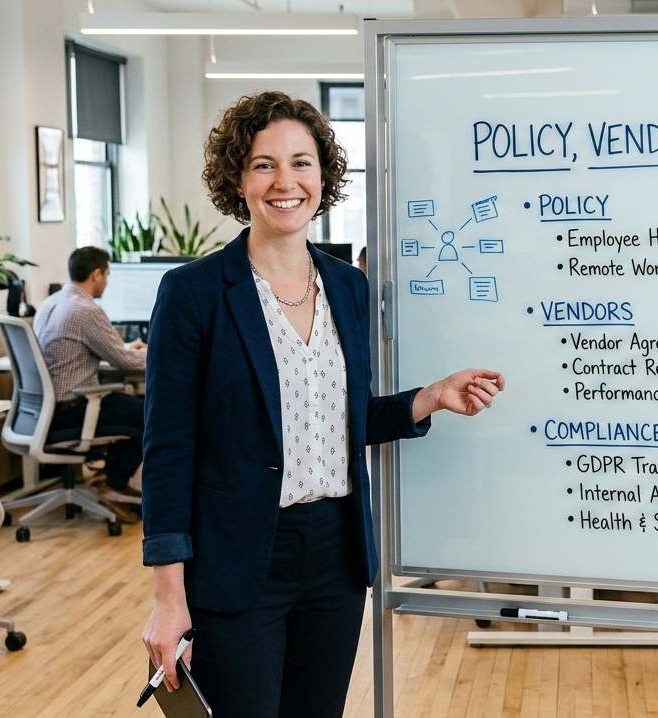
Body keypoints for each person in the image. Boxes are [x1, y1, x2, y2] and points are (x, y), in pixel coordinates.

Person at [139, 91, 505, 717]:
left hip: (336, 556)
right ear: (238, 180)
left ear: (324, 176)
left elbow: (342, 419)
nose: (285, 182)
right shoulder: (194, 293)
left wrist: (429, 399)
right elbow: (168, 452)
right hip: (239, 558)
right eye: (264, 164)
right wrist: (168, 597)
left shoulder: (348, 287)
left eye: (301, 163)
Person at [34, 246, 146, 503]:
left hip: (46, 411)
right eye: (107, 274)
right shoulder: (86, 310)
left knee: (134, 407)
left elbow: (88, 347)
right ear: (96, 274)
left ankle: (113, 476)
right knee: (155, 412)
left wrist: (126, 347)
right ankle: (117, 484)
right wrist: (165, 353)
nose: (107, 281)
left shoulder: (52, 302)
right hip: (73, 410)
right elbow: (125, 362)